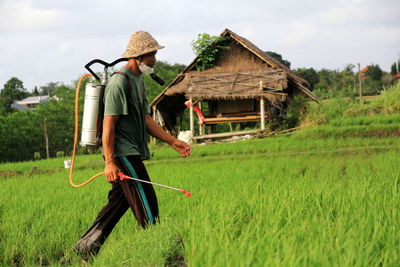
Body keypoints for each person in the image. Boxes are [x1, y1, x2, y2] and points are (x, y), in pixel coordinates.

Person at [73, 31, 192, 258]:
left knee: (117, 204)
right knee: (147, 205)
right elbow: (109, 126)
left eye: (155, 54)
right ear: (138, 57)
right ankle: (162, 253)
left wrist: (172, 141)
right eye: (151, 55)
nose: (155, 60)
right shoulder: (119, 82)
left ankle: (85, 248)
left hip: (132, 151)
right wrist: (110, 162)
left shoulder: (138, 80)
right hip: (123, 154)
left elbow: (146, 119)